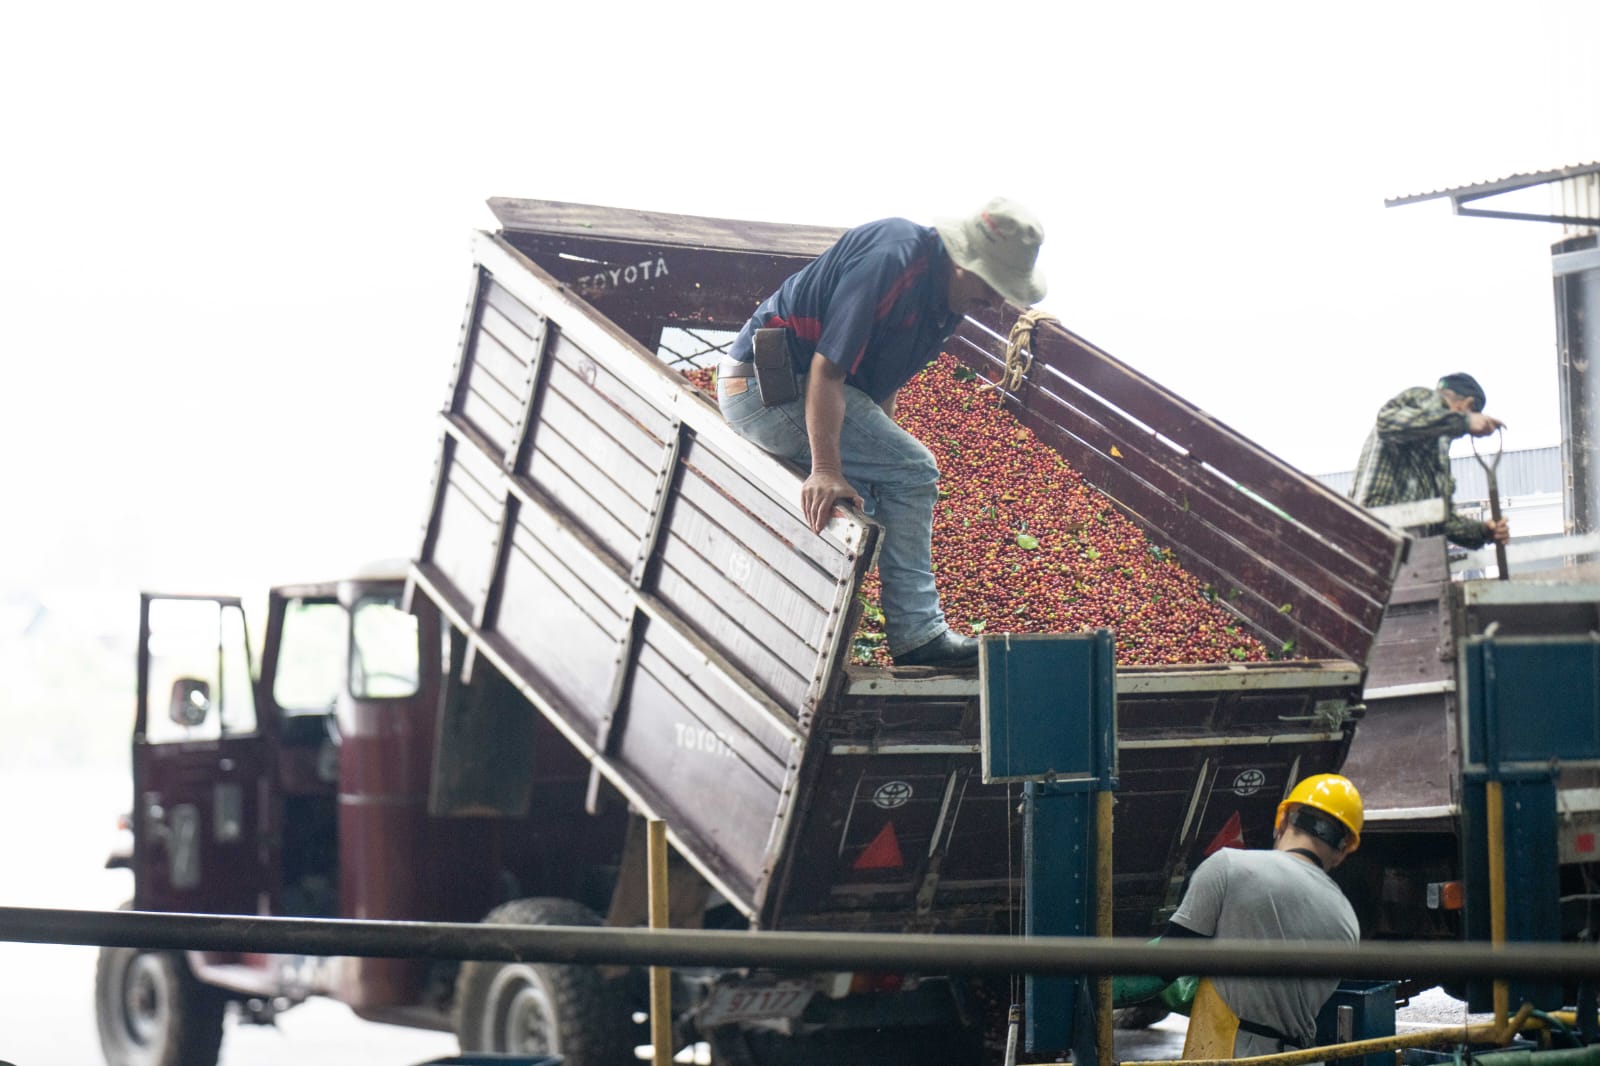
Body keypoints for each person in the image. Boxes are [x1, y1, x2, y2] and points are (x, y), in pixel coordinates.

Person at [716, 198, 1047, 669]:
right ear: (961, 262)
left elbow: (879, 388)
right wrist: (827, 469)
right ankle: (918, 635)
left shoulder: (947, 301)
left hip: (802, 388)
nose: (996, 302)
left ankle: (807, 627)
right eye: (992, 285)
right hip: (765, 385)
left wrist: (875, 460)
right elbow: (826, 370)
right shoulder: (894, 260)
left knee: (877, 489)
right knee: (914, 471)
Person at [1165, 773, 1364, 1058]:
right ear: (1343, 851)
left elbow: (1169, 961)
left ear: (1282, 821)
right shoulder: (1348, 919)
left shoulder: (1229, 866)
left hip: (1232, 1055)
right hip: (1301, 1057)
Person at [1349, 373, 1510, 549]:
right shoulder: (1424, 399)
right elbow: (1387, 423)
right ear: (1468, 405)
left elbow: (1442, 521)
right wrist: (1464, 422)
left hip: (1407, 548)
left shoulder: (1439, 451)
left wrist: (1484, 531)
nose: (1462, 433)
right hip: (1377, 533)